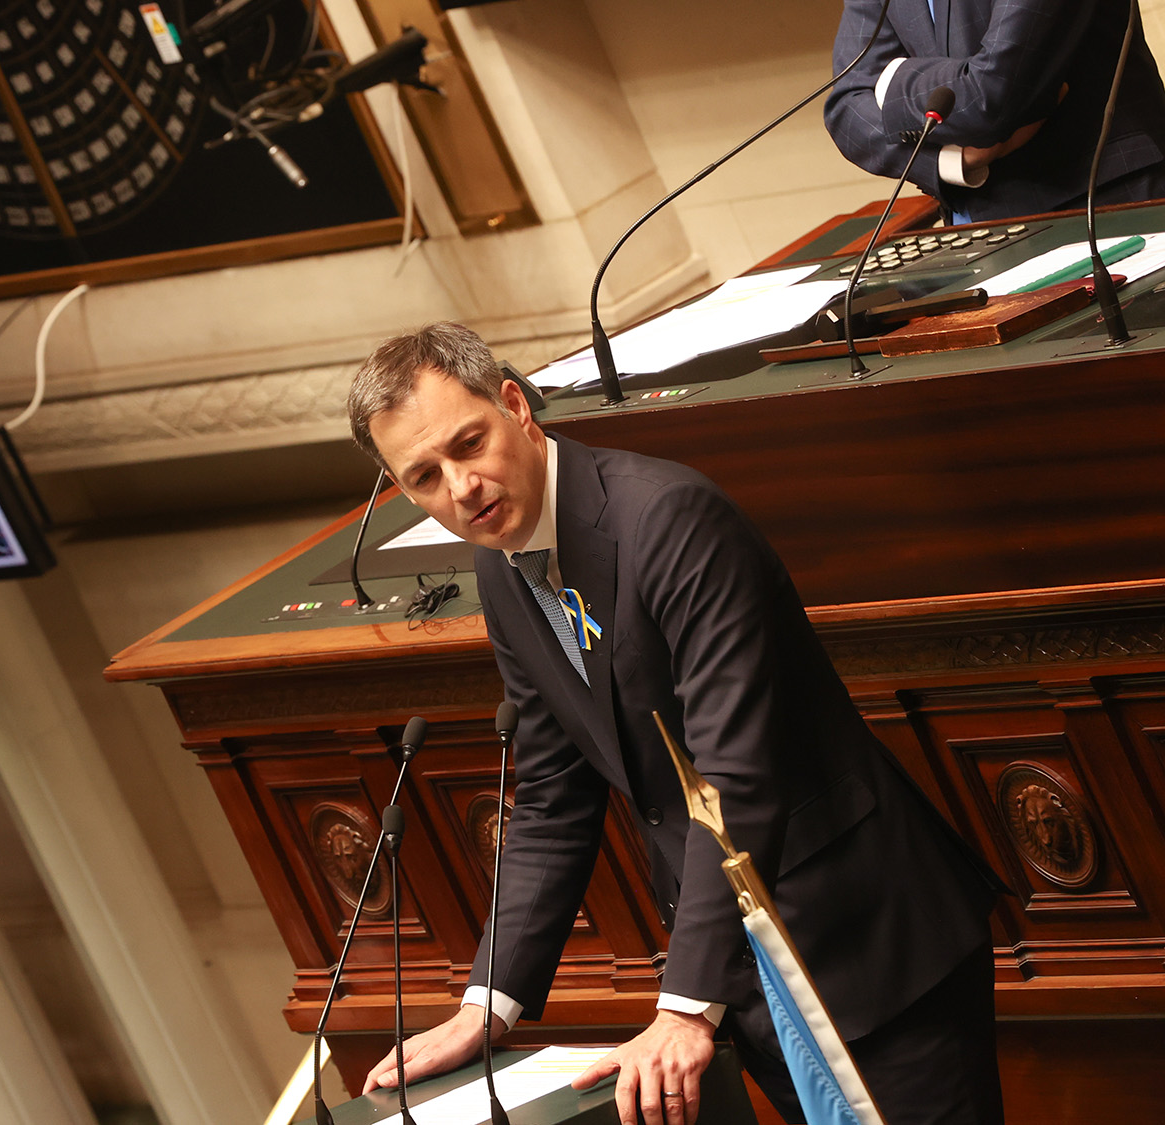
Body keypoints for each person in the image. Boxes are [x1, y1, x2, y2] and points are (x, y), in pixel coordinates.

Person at [344, 323, 1006, 1125]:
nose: (461, 485)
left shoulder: (669, 516)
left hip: (867, 944)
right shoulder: (503, 564)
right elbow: (555, 796)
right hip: (750, 970)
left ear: (514, 406)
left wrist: (686, 1005)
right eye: (424, 475)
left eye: (468, 443)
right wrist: (490, 1000)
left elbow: (736, 769)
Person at [824, 0, 1165, 225]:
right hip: (977, 229)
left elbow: (993, 95)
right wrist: (953, 162)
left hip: (1105, 209)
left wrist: (890, 83)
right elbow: (845, 110)